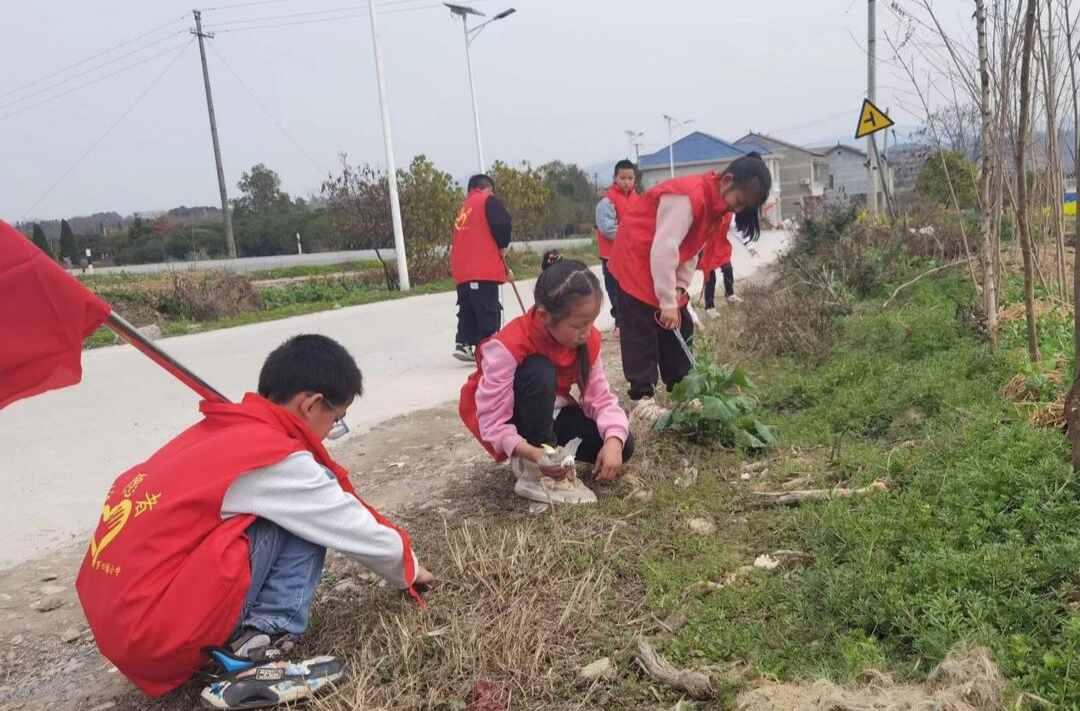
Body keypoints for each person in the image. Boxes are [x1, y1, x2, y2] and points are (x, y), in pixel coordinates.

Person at [76, 335, 434, 709]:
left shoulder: (220, 431)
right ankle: (258, 652)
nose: (332, 432)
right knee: (305, 512)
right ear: (311, 405)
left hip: (120, 622)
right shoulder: (273, 455)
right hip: (155, 632)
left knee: (290, 507)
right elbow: (347, 523)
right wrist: (407, 567)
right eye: (336, 419)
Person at [459, 250, 635, 505]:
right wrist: (533, 453)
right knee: (539, 370)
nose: (587, 333)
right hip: (518, 418)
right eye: (578, 326)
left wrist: (614, 441)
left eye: (592, 322)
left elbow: (599, 397)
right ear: (544, 316)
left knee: (624, 444)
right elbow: (492, 423)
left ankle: (554, 456)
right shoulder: (509, 345)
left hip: (550, 414)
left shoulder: (588, 341)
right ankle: (535, 472)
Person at [607, 153, 772, 423]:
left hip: (662, 266)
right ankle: (642, 399)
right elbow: (665, 247)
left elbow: (692, 249)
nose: (738, 210)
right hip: (637, 260)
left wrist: (680, 289)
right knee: (641, 331)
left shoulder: (717, 207)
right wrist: (666, 301)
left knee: (679, 327)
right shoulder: (688, 196)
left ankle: (683, 390)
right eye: (740, 202)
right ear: (728, 181)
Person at [450, 173, 514, 362]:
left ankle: (463, 344)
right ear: (487, 188)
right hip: (481, 267)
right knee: (487, 308)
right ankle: (488, 347)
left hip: (462, 268)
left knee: (467, 307)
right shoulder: (487, 200)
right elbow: (503, 224)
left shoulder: (464, 207)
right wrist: (503, 245)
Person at [594, 159, 639, 338]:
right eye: (623, 178)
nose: (627, 181)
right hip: (611, 255)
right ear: (615, 178)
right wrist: (632, 232)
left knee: (632, 289)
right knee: (615, 291)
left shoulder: (638, 199)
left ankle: (632, 321)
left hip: (632, 254)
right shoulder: (607, 201)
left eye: (630, 178)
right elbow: (607, 228)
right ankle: (619, 323)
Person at [698, 212, 759, 317]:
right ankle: (709, 307)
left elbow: (738, 230)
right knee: (710, 278)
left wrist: (749, 246)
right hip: (707, 250)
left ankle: (730, 294)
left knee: (728, 269)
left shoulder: (728, 215)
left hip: (721, 248)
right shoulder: (706, 211)